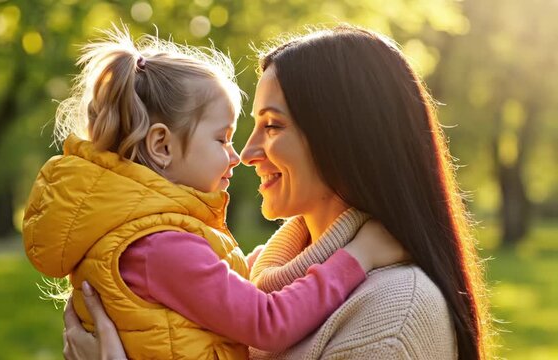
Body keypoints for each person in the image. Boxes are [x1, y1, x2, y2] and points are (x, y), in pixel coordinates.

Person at [63, 24, 494, 359]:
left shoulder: (393, 312)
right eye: (230, 135)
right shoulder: (256, 272)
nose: (246, 153)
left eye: (272, 125)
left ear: (343, 139)